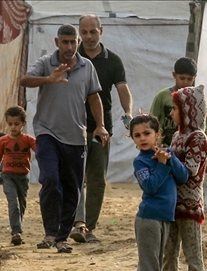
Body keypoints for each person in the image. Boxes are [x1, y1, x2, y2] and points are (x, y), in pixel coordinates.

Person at [20, 24, 108, 254]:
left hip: (76, 136)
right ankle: (50, 232)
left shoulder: (86, 66)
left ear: (78, 42)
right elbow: (25, 80)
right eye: (65, 42)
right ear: (56, 42)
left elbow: (94, 98)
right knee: (50, 179)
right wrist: (49, 79)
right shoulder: (45, 63)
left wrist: (99, 126)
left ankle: (62, 238)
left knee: (72, 188)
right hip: (47, 132)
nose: (69, 47)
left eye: (73, 42)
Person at [71, 14, 135, 244]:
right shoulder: (71, 57)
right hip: (73, 126)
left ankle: (88, 227)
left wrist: (128, 112)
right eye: (84, 32)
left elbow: (123, 89)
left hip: (101, 129)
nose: (88, 37)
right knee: (76, 176)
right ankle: (77, 223)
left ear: (101, 31)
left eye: (93, 32)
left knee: (97, 178)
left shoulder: (113, 60)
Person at [125, 115, 189, 271]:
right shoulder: (140, 161)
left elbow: (183, 176)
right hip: (148, 218)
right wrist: (161, 165)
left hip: (164, 218)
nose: (142, 138)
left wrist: (169, 160)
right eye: (137, 135)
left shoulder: (167, 154)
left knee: (150, 263)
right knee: (151, 264)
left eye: (147, 133)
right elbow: (150, 187)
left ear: (157, 134)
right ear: (132, 139)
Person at [159, 86, 207, 271]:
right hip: (172, 204)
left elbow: (190, 171)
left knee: (192, 252)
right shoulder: (178, 136)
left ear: (188, 110)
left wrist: (167, 160)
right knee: (169, 252)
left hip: (190, 204)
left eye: (176, 109)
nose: (172, 114)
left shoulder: (198, 138)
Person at [150, 57, 207, 165]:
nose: (186, 82)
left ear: (195, 78)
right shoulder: (162, 97)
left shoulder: (196, 99)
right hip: (163, 153)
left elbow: (204, 127)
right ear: (174, 75)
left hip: (188, 154)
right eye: (182, 78)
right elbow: (152, 123)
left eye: (189, 79)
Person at [0, 106, 36, 246]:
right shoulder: (3, 141)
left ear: (24, 124)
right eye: (10, 124)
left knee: (21, 204)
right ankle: (16, 232)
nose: (13, 127)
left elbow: (39, 150)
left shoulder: (28, 140)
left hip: (23, 176)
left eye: (17, 124)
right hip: (8, 176)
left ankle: (17, 230)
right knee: (13, 202)